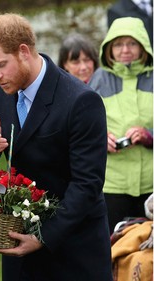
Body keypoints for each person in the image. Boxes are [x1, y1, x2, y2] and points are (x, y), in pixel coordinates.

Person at [0, 13, 112, 280]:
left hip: (74, 247)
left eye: (1, 65)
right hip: (18, 245)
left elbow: (87, 184)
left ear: (24, 51)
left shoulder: (81, 101)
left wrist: (42, 236)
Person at [88, 17, 153, 234]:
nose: (125, 50)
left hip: (151, 185)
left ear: (143, 45)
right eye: (118, 44)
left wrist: (149, 136)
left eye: (132, 43)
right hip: (113, 185)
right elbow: (82, 127)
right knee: (112, 250)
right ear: (109, 48)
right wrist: (100, 138)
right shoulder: (98, 79)